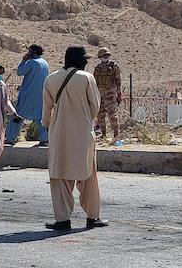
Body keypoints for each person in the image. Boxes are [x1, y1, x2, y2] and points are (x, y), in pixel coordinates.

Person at [43, 46, 107, 231]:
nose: (87, 62)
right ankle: (92, 217)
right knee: (87, 175)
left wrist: (49, 124)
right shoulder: (86, 78)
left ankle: (62, 219)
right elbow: (95, 106)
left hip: (58, 133)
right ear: (78, 60)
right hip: (82, 132)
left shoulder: (51, 79)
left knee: (59, 175)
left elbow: (46, 111)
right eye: (84, 59)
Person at [8, 44, 50, 147]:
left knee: (18, 115)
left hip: (28, 94)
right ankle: (44, 138)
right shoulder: (45, 63)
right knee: (40, 117)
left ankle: (10, 137)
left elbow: (19, 72)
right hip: (40, 95)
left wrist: (23, 60)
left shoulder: (31, 63)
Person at [92, 47, 122, 141]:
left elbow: (118, 80)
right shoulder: (98, 68)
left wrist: (119, 93)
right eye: (103, 56)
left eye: (106, 55)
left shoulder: (114, 66)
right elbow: (95, 81)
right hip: (100, 93)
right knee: (100, 114)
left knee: (112, 113)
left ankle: (116, 134)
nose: (105, 57)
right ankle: (104, 134)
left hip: (110, 92)